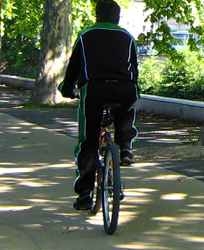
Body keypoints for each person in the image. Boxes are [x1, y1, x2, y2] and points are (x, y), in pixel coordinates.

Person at [59, 0, 140, 211]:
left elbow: (74, 66)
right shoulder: (127, 37)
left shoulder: (85, 36)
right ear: (118, 17)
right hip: (124, 88)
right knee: (127, 107)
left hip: (95, 90)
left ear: (97, 15)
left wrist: (67, 88)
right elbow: (134, 69)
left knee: (87, 141)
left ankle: (84, 195)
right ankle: (125, 148)